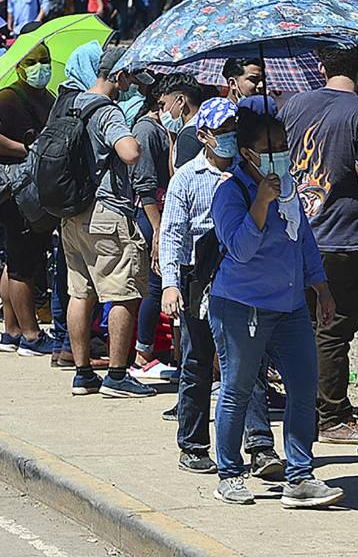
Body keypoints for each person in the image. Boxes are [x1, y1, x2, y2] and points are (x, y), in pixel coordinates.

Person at [208, 106, 344, 508]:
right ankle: (229, 473)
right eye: (271, 148)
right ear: (248, 152)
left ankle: (300, 476)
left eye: (283, 146)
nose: (280, 154)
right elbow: (241, 248)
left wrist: (321, 286)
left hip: (290, 307)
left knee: (304, 388)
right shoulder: (230, 193)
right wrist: (261, 204)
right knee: (238, 388)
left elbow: (303, 241)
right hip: (241, 307)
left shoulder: (289, 187)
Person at [159, 97, 282, 477]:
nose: (229, 137)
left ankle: (260, 445)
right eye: (221, 131)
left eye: (234, 129)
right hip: (201, 277)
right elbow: (173, 233)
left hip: (246, 277)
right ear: (203, 136)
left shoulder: (253, 176)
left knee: (252, 362)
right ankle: (193, 444)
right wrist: (170, 284)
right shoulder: (187, 179)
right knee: (197, 362)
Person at [281, 44, 358, 443]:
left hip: (297, 231)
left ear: (320, 66)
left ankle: (302, 405)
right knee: (334, 329)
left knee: (302, 325)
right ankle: (331, 414)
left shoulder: (293, 106)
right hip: (345, 237)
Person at [58, 42, 156, 398]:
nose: (131, 83)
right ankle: (117, 374)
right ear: (118, 75)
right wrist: (137, 142)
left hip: (72, 213)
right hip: (107, 213)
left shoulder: (72, 104)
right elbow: (129, 153)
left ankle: (83, 373)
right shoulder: (108, 111)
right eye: (129, 76)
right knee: (124, 293)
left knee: (80, 292)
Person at [0, 43, 57, 354]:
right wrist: (24, 150)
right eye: (33, 61)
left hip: (30, 192)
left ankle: (10, 331)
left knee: (16, 261)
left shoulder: (45, 97)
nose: (41, 67)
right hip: (16, 193)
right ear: (20, 66)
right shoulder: (8, 97)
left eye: (44, 60)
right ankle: (31, 335)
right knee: (23, 264)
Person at [130, 74, 175, 378]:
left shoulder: (161, 129)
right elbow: (145, 185)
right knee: (153, 286)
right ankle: (142, 353)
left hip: (159, 212)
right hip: (150, 215)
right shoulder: (146, 130)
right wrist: (158, 229)